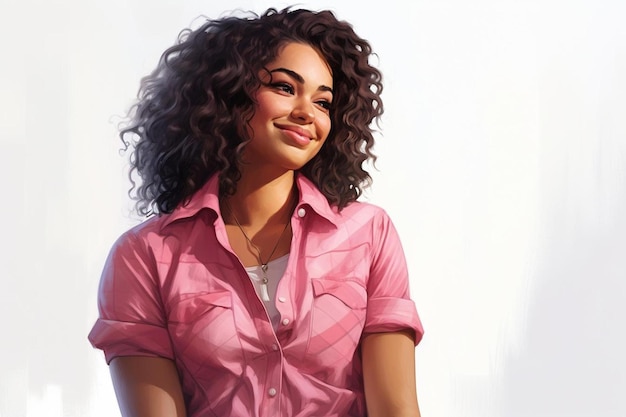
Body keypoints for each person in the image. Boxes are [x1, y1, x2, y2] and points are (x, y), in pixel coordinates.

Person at [88, 6, 424, 417]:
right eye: (285, 87)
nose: (307, 113)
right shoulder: (145, 257)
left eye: (323, 102)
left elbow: (396, 408)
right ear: (228, 93)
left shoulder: (368, 234)